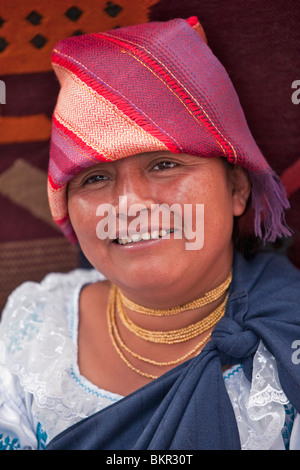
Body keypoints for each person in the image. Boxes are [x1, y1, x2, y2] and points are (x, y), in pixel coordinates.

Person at [0, 16, 300, 451]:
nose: (129, 204)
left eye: (164, 165)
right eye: (95, 178)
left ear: (236, 187)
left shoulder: (288, 334)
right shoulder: (34, 327)